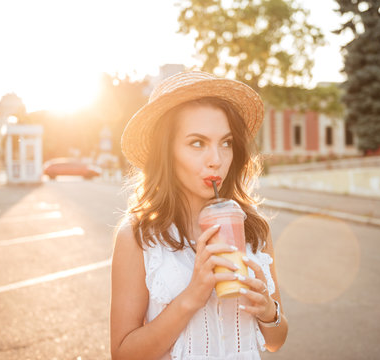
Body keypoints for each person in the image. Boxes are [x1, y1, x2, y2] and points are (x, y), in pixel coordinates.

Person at [110, 71, 288, 359]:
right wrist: (192, 296)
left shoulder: (254, 228)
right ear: (166, 152)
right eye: (197, 143)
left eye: (226, 142)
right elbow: (122, 353)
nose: (216, 160)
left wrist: (268, 311)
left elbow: (276, 341)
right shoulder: (138, 236)